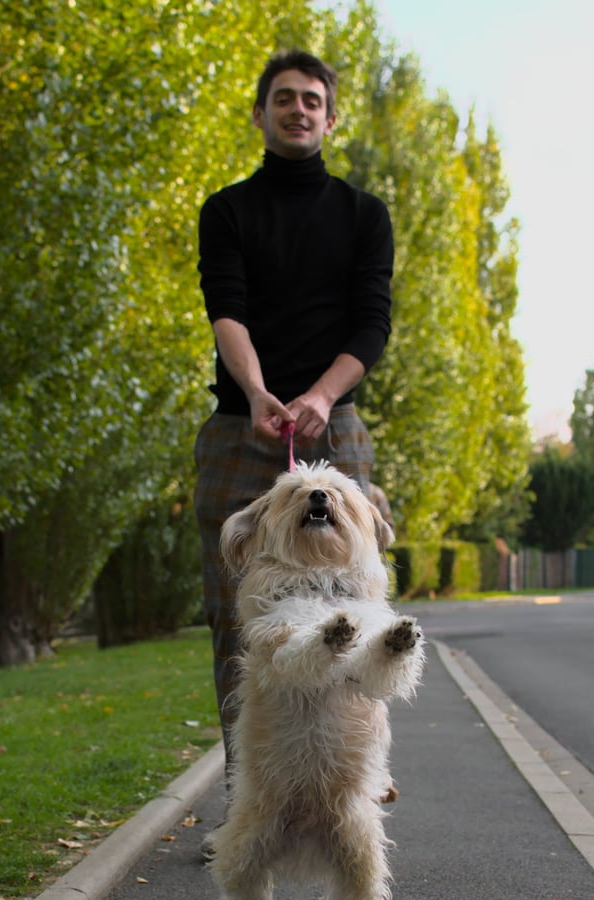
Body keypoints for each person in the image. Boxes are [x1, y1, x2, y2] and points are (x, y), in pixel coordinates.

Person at [194, 48, 394, 762]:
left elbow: (372, 323)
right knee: (233, 614)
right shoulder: (226, 211)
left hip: (335, 425)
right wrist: (255, 392)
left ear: (330, 118)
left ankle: (357, 768)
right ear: (260, 114)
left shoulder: (365, 215)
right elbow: (228, 309)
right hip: (238, 427)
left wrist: (320, 393)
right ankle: (244, 785)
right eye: (284, 97)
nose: (298, 108)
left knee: (362, 603)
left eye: (312, 99)